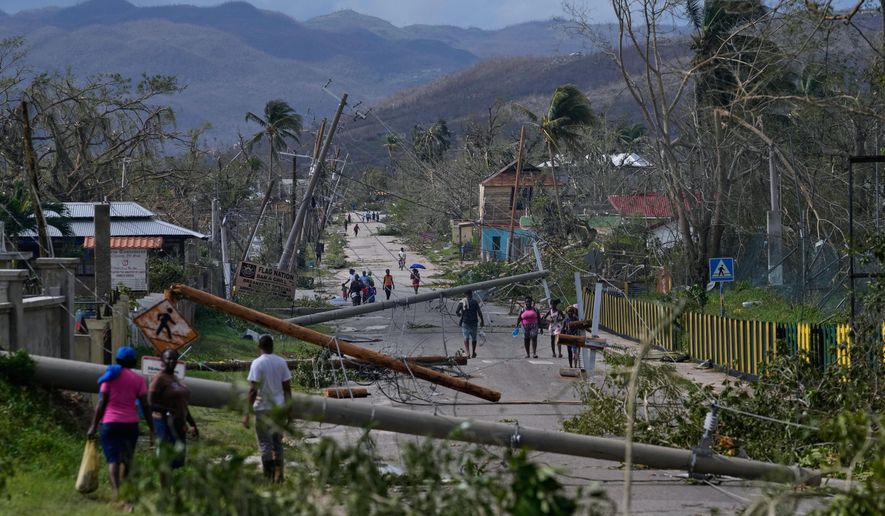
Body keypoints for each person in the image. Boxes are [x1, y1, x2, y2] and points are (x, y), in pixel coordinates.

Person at [87, 347, 154, 499]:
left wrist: (93, 426)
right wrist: (152, 427)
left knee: (113, 459)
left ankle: (117, 492)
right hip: (130, 425)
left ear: (117, 360)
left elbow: (101, 403)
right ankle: (125, 488)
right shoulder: (138, 380)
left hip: (110, 423)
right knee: (127, 459)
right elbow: (145, 405)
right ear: (133, 362)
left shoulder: (110, 376)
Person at [243, 335, 292, 482]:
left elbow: (253, 390)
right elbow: (287, 389)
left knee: (265, 443)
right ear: (272, 347)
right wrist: (290, 412)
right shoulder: (281, 362)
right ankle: (279, 475)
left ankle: (268, 477)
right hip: (278, 409)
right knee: (277, 443)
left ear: (259, 347)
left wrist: (246, 413)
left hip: (263, 409)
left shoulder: (257, 363)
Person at [149, 349, 198, 478]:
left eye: (173, 358)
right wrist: (167, 410)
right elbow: (150, 403)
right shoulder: (159, 378)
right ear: (162, 361)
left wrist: (193, 424)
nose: (171, 361)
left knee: (177, 460)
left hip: (178, 423)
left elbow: (183, 406)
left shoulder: (175, 379)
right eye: (168, 358)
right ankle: (165, 491)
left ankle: (170, 490)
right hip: (164, 423)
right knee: (166, 459)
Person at [456, 290, 484, 358]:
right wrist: (482, 321)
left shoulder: (462, 302)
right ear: (471, 294)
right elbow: (479, 312)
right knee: (474, 338)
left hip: (465, 322)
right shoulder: (475, 302)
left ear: (465, 294)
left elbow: (457, 311)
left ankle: (468, 353)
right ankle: (473, 352)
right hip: (474, 322)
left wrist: (460, 315)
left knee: (466, 338)